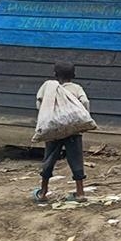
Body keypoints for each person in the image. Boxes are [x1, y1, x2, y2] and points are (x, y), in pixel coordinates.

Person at [32, 62, 91, 204]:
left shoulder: (49, 87)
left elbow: (40, 103)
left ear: (55, 75)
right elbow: (85, 102)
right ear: (74, 75)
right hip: (72, 130)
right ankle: (80, 192)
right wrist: (82, 119)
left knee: (49, 159)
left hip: (54, 129)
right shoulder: (77, 88)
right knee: (76, 159)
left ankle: (43, 192)